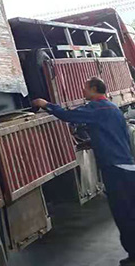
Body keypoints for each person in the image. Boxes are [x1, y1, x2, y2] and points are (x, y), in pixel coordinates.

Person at [32, 77, 135, 266]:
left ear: (94, 89)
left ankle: (133, 255)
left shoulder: (96, 109)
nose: (83, 91)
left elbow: (68, 115)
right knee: (130, 212)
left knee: (123, 214)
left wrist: (45, 104)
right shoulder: (113, 108)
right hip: (127, 166)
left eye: (85, 88)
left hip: (115, 169)